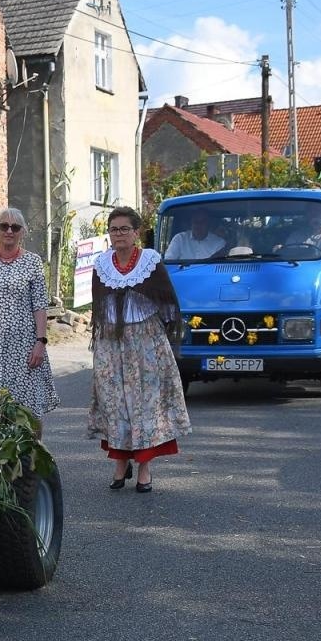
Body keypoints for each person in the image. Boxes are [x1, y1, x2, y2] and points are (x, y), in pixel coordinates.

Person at [86, 207, 191, 492]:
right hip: (111, 339)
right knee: (114, 402)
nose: (118, 234)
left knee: (145, 402)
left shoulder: (149, 261)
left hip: (145, 337)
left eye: (124, 229)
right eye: (113, 229)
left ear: (136, 232)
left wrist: (163, 340)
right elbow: (98, 306)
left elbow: (168, 301)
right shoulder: (102, 263)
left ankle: (144, 466)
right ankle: (120, 462)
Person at [0, 208, 60, 418]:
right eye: (4, 226)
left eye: (15, 227)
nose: (9, 231)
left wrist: (41, 341)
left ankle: (31, 449)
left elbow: (39, 305)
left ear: (23, 232)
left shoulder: (32, 262)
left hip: (24, 344)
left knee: (26, 408)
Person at [163, 208, 227, 261]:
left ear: (208, 224)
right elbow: (168, 261)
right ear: (191, 223)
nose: (198, 225)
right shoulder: (179, 239)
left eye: (202, 222)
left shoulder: (219, 242)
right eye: (195, 222)